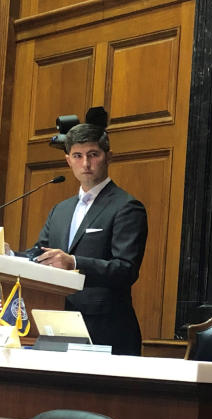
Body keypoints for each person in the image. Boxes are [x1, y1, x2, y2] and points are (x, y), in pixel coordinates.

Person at [19, 123, 147, 356]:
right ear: (68, 160)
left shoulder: (126, 207)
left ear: (108, 157)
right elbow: (40, 254)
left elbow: (126, 269)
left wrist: (75, 263)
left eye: (93, 155)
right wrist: (6, 256)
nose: (85, 164)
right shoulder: (60, 210)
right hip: (58, 323)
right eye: (78, 156)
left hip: (106, 329)